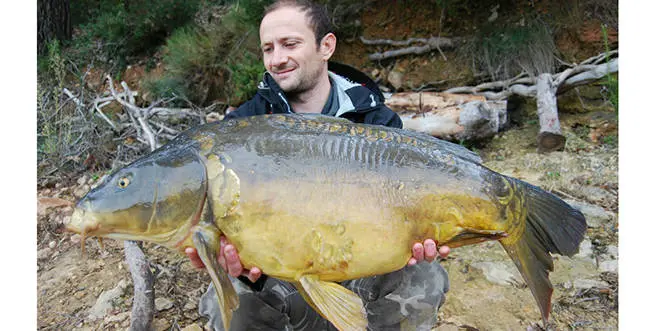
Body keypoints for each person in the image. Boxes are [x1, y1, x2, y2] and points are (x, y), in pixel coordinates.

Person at [185, 1, 451, 330]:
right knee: (225, 296)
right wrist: (235, 264)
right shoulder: (242, 126)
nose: (276, 58)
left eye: (289, 44)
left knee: (425, 275)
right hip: (283, 276)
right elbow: (234, 241)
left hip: (362, 267)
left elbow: (405, 204)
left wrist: (422, 234)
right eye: (268, 48)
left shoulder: (377, 120)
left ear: (326, 46)